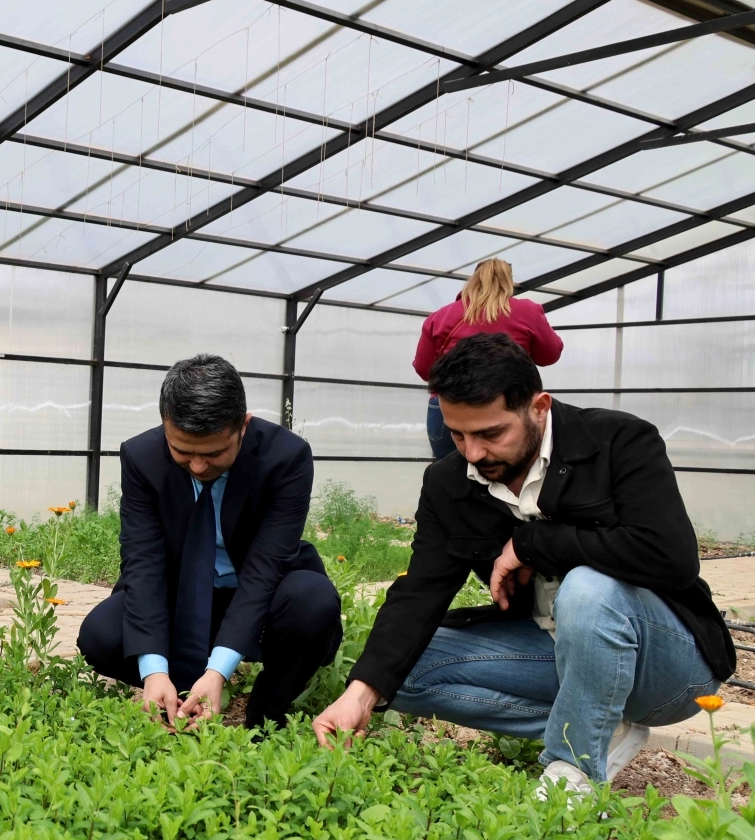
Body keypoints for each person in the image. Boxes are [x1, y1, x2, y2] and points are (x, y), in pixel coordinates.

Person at [312, 334, 732, 796]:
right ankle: (600, 728)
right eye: (457, 434)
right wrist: (360, 695)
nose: (472, 453)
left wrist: (532, 543)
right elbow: (420, 592)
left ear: (539, 407)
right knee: (394, 672)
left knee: (589, 589)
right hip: (553, 648)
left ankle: (571, 775)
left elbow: (671, 557)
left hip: (667, 669)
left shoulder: (619, 440)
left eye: (491, 434)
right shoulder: (448, 483)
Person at [77, 355, 343, 730]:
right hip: (180, 591)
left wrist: (218, 670)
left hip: (259, 590)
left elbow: (265, 570)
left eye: (214, 453)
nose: (199, 466)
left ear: (243, 425)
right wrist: (153, 670)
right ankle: (176, 694)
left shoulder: (286, 458)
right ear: (165, 425)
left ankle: (265, 714)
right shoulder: (140, 457)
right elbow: (144, 563)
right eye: (183, 452)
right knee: (101, 635)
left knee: (312, 603)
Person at [414, 258, 562, 460]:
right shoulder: (527, 312)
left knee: (449, 475)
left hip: (450, 409)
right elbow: (550, 355)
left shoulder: (442, 316)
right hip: (510, 407)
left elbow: (424, 369)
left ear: (473, 280)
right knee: (509, 474)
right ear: (509, 282)